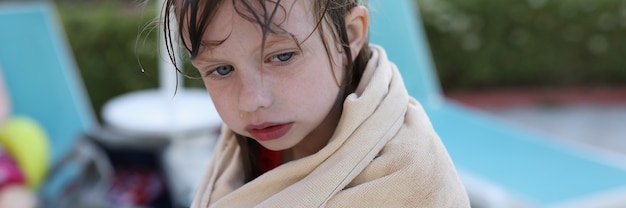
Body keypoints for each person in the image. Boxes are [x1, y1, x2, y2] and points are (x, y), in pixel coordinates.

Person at [161, 0, 470, 207]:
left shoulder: (411, 179)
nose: (251, 100)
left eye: (282, 56)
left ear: (348, 36)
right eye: (221, 70)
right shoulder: (245, 150)